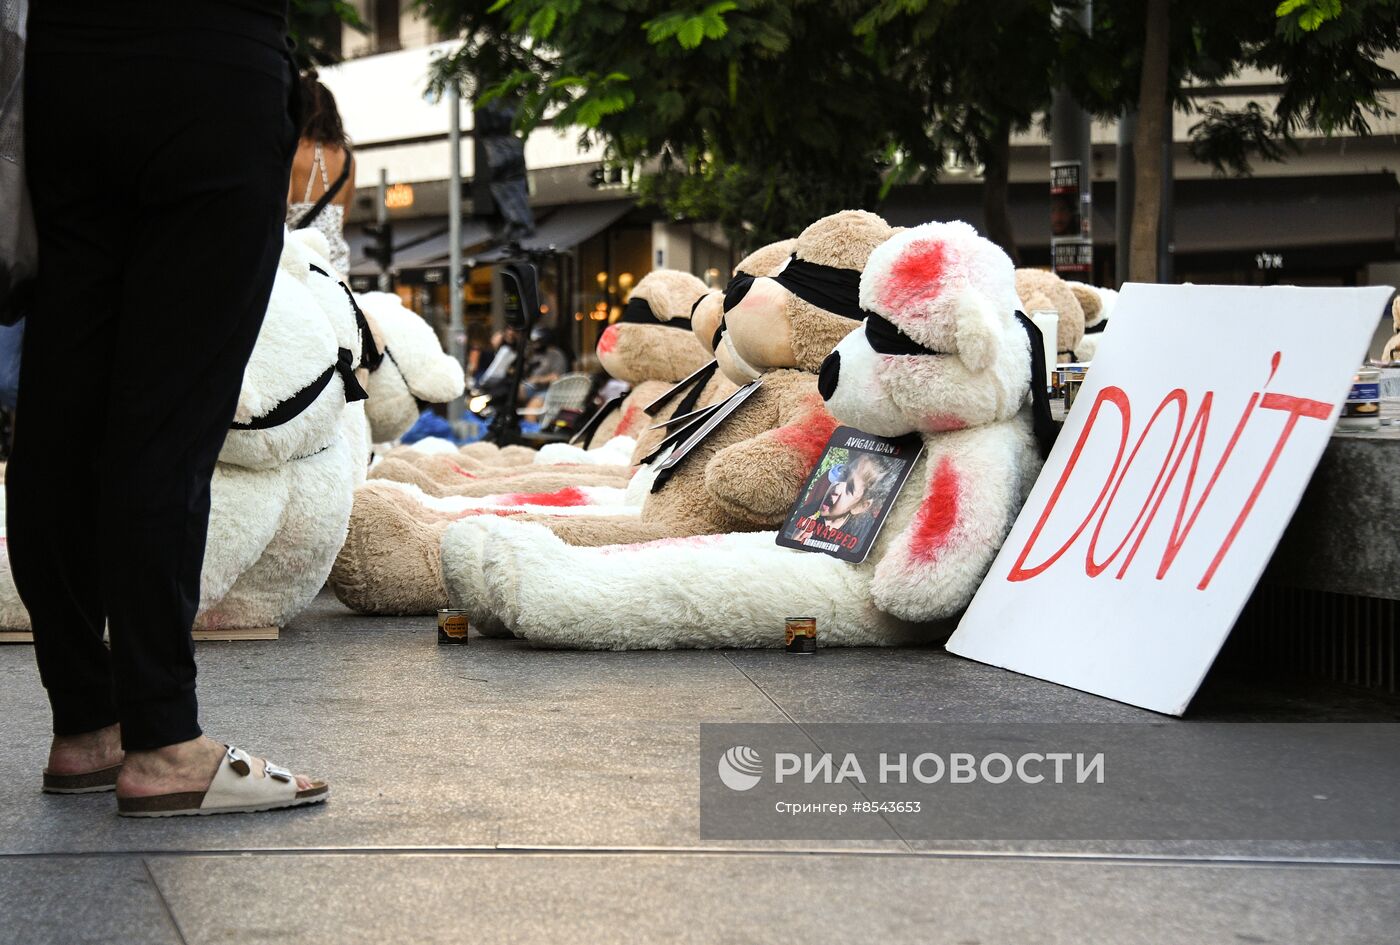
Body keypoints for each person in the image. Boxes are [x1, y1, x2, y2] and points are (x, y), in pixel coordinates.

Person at [15, 0, 326, 816]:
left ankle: (86, 724)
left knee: (62, 407)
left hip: (63, 68)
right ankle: (162, 738)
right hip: (210, 60)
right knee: (169, 422)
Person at [285, 74, 354, 278]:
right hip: (336, 265)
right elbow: (344, 215)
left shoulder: (292, 151)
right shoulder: (347, 158)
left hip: (300, 261)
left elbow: (282, 206)